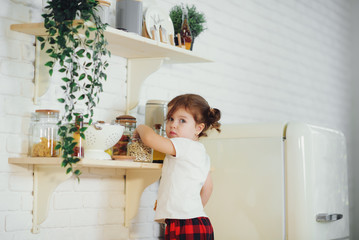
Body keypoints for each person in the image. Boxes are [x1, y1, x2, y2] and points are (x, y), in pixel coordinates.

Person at [133, 93, 221, 239]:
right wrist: (187, 208)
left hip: (184, 225)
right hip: (199, 222)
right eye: (170, 119)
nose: (173, 124)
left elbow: (149, 138)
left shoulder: (183, 144)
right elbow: (208, 188)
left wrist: (140, 127)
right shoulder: (201, 152)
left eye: (182, 121)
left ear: (198, 128)